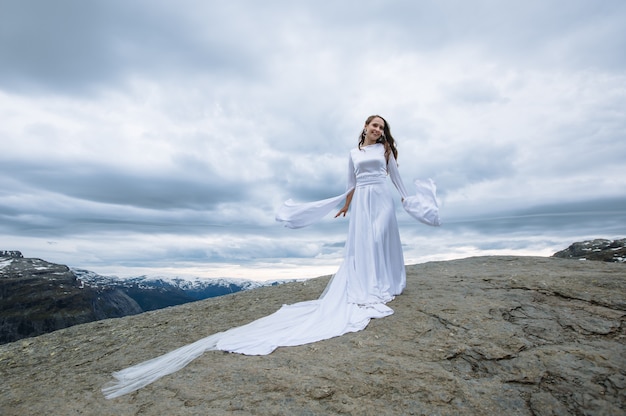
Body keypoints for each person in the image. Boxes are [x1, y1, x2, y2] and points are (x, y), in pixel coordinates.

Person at [102, 115, 440, 399]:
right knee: (364, 244)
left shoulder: (386, 150)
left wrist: (410, 201)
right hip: (363, 200)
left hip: (381, 198)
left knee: (381, 237)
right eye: (373, 125)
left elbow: (396, 178)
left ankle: (384, 282)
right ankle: (370, 283)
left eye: (382, 127)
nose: (378, 130)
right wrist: (345, 206)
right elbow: (350, 183)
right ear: (364, 127)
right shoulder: (353, 153)